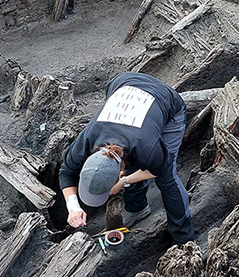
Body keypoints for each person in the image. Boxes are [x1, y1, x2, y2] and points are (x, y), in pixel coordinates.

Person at [59, 72, 194, 245]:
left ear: (120, 172)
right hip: (122, 82)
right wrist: (73, 208)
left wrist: (124, 182)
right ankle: (137, 207)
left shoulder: (148, 148)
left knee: (168, 181)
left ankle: (184, 239)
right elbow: (66, 172)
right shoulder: (86, 141)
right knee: (135, 156)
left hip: (168, 103)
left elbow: (158, 171)